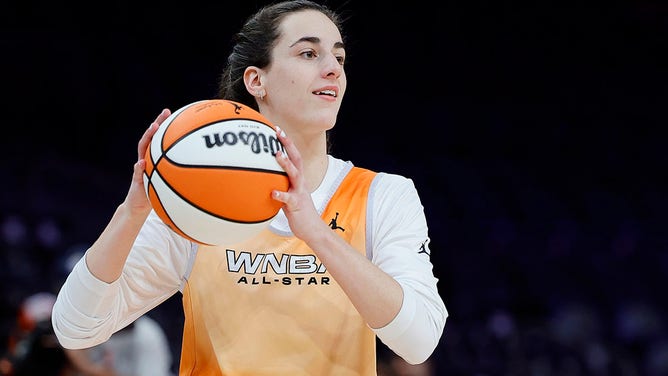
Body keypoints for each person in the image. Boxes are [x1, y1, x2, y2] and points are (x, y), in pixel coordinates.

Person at [51, 1, 448, 374]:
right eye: (309, 53)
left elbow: (419, 341)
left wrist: (315, 232)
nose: (333, 69)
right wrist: (132, 213)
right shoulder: (196, 202)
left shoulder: (384, 195)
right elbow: (76, 329)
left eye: (339, 57)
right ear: (257, 80)